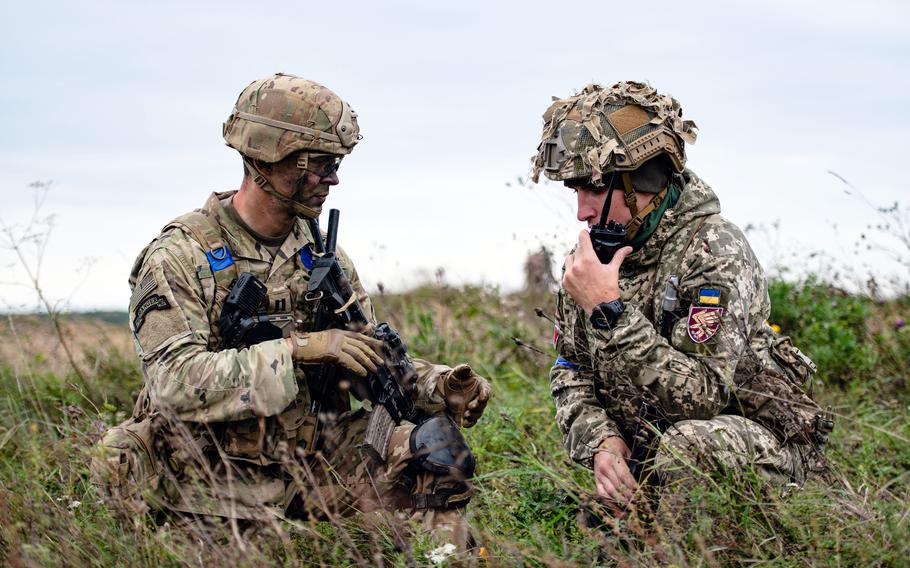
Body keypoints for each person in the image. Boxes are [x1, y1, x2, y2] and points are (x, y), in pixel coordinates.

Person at [91, 73, 491, 546]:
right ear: (270, 157)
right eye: (320, 164)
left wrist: (438, 385)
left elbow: (366, 355)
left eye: (336, 163)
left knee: (434, 457)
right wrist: (302, 348)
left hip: (314, 458)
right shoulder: (182, 255)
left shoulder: (324, 257)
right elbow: (174, 382)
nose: (333, 178)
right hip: (212, 475)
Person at [530, 81, 833, 519]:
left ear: (640, 181)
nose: (581, 212)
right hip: (657, 459)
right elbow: (570, 370)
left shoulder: (713, 251)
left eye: (594, 189)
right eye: (575, 191)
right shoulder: (593, 258)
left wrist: (608, 310)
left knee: (686, 448)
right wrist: (601, 442)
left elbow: (705, 395)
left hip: (754, 447)